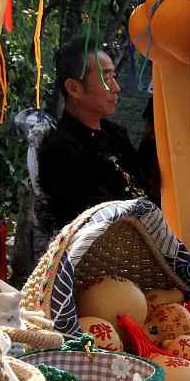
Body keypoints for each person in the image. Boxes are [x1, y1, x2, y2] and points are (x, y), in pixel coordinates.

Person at [37, 36, 160, 233]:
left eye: (114, 78)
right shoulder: (60, 151)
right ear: (74, 88)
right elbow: (94, 223)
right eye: (106, 78)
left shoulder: (114, 134)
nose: (117, 88)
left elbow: (145, 179)